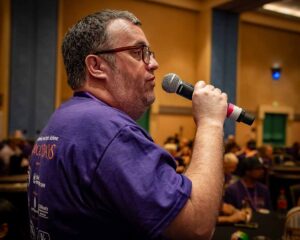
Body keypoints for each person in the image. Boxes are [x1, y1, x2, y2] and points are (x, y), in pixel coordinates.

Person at [27, 9, 228, 240]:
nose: (154, 63)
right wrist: (210, 123)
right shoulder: (107, 130)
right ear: (96, 66)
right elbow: (196, 227)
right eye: (137, 52)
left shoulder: (63, 119)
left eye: (149, 53)